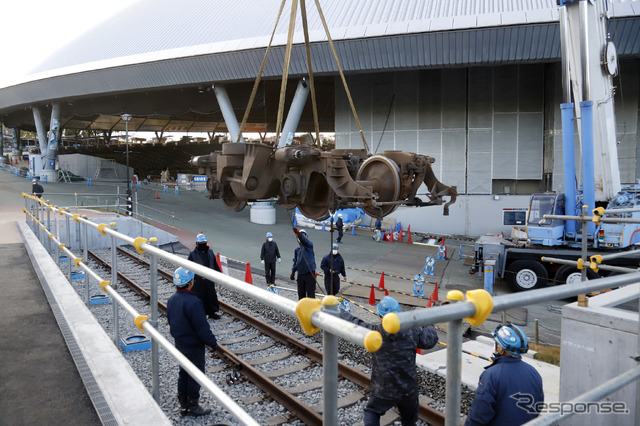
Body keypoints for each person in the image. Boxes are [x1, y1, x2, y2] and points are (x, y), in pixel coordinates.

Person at [338, 296, 438, 425]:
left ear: (380, 316)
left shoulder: (375, 334)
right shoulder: (412, 332)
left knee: (372, 411)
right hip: (408, 388)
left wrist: (339, 311)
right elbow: (430, 340)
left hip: (384, 388)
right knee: (409, 421)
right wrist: (428, 321)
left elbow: (354, 323)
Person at [465, 322, 544, 426]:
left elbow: (479, 415)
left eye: (497, 343)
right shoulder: (534, 373)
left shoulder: (491, 375)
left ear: (501, 348)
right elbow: (538, 406)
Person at [166, 267, 218, 417]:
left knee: (183, 372)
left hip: (180, 343)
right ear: (190, 283)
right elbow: (202, 328)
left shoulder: (172, 299)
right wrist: (212, 343)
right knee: (196, 373)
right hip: (194, 346)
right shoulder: (194, 302)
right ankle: (193, 405)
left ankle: (183, 403)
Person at [187, 233, 222, 319]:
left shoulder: (210, 253)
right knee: (199, 298)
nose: (203, 245)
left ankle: (212, 312)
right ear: (197, 244)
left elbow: (214, 264)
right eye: (201, 243)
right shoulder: (192, 255)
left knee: (211, 296)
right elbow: (188, 268)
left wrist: (219, 275)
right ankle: (199, 314)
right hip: (198, 281)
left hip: (209, 279)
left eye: (204, 243)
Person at [290, 228, 317, 300]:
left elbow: (304, 240)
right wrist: (293, 271)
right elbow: (295, 261)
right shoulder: (297, 249)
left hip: (309, 273)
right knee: (301, 293)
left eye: (303, 235)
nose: (301, 237)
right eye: (300, 235)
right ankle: (302, 308)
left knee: (310, 293)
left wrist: (298, 233)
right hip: (301, 273)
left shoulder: (309, 245)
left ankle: (311, 309)